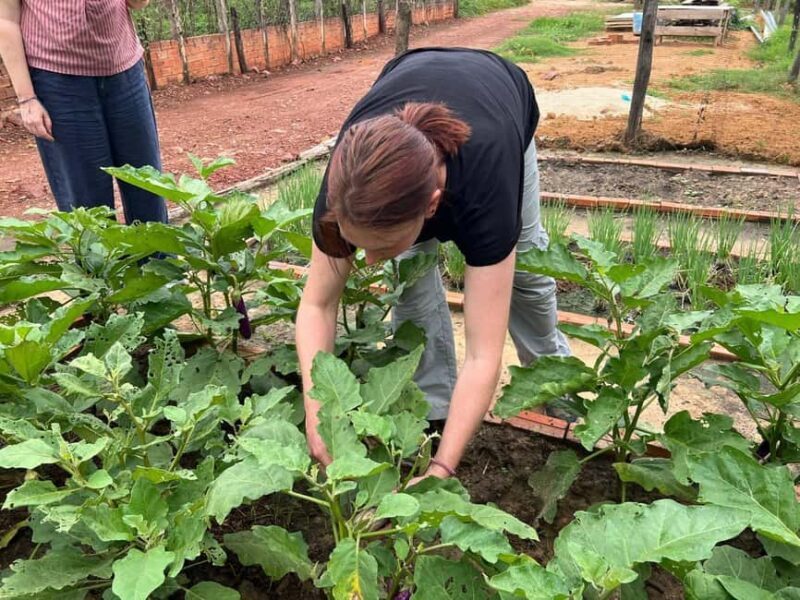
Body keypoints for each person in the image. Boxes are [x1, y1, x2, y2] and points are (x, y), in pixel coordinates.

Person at [298, 47, 571, 481]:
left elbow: (484, 354)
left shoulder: (488, 187)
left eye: (379, 247)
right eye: (359, 245)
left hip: (499, 101)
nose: (366, 262)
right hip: (408, 83)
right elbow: (316, 306)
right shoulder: (346, 190)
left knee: (528, 280)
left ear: (431, 206)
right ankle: (432, 413)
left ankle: (557, 384)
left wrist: (443, 469)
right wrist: (317, 416)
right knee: (411, 288)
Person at [0, 0, 167, 224]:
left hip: (124, 72)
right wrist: (27, 98)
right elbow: (5, 20)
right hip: (58, 84)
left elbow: (138, 3)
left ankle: (158, 259)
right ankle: (99, 260)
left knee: (147, 187)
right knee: (86, 204)